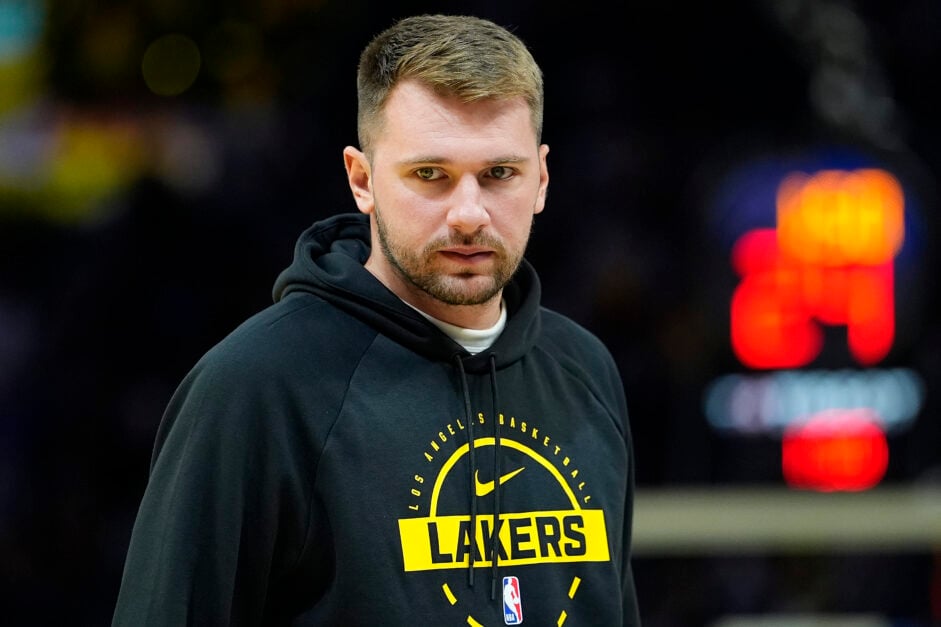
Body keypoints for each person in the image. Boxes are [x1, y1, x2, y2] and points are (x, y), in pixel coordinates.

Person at [112, 13, 641, 626]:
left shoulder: (585, 370)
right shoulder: (256, 388)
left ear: (541, 179)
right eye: (430, 175)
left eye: (500, 173)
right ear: (361, 180)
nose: (469, 213)